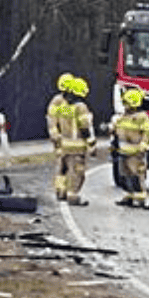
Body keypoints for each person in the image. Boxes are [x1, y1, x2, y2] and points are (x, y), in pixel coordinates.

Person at [48, 75, 95, 206]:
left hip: (64, 145)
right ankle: (72, 196)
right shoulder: (81, 107)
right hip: (77, 147)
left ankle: (61, 192)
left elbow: (53, 121)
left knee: (62, 170)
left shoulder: (63, 106)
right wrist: (91, 143)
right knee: (76, 172)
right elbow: (85, 128)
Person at [112, 86, 149, 207]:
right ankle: (128, 196)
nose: (125, 106)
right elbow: (118, 130)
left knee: (136, 175)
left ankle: (140, 198)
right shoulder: (124, 116)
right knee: (124, 175)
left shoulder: (142, 117)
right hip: (123, 151)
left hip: (135, 153)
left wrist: (144, 144)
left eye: (127, 103)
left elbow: (147, 132)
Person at [46, 72, 75, 200]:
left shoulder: (72, 102)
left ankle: (67, 189)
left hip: (71, 139)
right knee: (62, 166)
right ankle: (60, 190)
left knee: (70, 165)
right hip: (61, 138)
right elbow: (51, 119)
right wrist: (55, 134)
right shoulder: (57, 102)